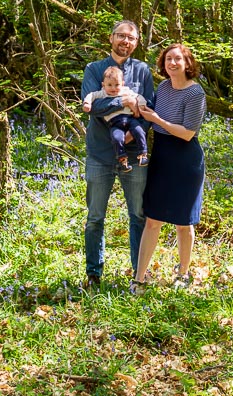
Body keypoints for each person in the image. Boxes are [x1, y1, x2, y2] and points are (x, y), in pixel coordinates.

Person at [80, 20, 155, 287]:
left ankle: (139, 274)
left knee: (138, 216)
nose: (125, 41)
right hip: (100, 153)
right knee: (95, 217)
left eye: (131, 38)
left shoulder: (143, 70)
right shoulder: (94, 69)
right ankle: (93, 274)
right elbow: (91, 106)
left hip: (135, 156)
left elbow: (148, 110)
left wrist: (133, 134)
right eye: (121, 36)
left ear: (136, 43)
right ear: (111, 38)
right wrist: (123, 101)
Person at [131, 42, 208, 293]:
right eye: (168, 60)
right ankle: (139, 278)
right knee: (153, 220)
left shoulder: (195, 93)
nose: (172, 63)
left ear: (188, 64)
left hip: (186, 159)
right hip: (162, 155)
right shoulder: (163, 87)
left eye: (177, 59)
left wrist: (156, 119)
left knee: (184, 223)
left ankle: (183, 274)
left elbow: (187, 133)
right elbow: (150, 116)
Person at [83, 65, 151, 171]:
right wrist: (87, 103)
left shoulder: (126, 91)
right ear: (103, 85)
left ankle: (143, 155)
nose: (113, 88)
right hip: (115, 123)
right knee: (116, 138)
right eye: (109, 85)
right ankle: (123, 160)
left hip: (130, 119)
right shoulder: (103, 93)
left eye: (117, 85)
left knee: (139, 131)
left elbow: (139, 97)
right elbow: (91, 95)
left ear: (122, 84)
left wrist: (141, 106)